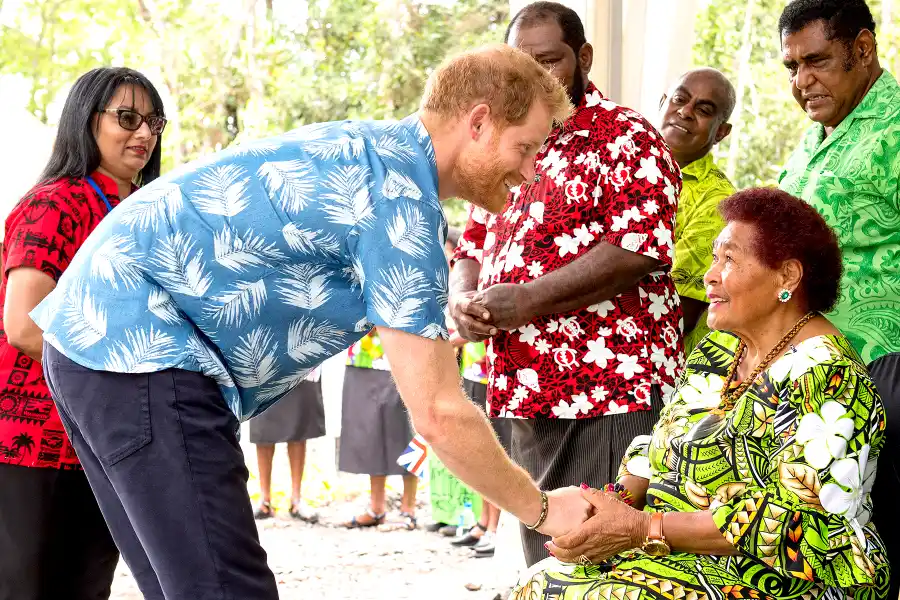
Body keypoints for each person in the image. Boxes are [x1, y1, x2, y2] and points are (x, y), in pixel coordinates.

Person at [32, 45, 591, 600]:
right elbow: (440, 412)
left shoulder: (370, 149)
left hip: (91, 339)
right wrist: (544, 510)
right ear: (479, 122)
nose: (530, 169)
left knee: (188, 586)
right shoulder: (399, 200)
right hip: (139, 346)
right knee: (225, 590)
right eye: (526, 147)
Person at [511, 187, 891, 600]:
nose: (710, 274)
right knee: (542, 577)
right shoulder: (721, 348)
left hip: (788, 578)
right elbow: (658, 445)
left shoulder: (830, 376)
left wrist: (642, 528)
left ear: (787, 277)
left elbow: (798, 527)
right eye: (714, 257)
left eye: (729, 260)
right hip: (680, 552)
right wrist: (611, 507)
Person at [450, 2, 683, 566]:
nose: (531, 77)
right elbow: (474, 245)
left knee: (608, 560)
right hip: (525, 387)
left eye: (548, 61)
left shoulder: (627, 136)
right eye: (517, 64)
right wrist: (461, 297)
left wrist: (525, 299)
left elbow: (639, 249)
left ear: (583, 58)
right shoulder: (508, 142)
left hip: (610, 389)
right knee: (547, 557)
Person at [0, 67, 165, 600]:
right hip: (31, 443)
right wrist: (123, 379)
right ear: (84, 121)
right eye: (126, 118)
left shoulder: (140, 212)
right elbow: (23, 325)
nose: (143, 133)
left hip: (99, 441)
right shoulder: (57, 202)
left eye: (153, 121)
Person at [775, 2, 900, 595]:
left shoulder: (897, 128)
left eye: (817, 61)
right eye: (792, 66)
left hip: (889, 367)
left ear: (864, 49)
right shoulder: (813, 141)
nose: (802, 81)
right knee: (838, 555)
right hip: (820, 382)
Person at [659, 68, 737, 351]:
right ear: (662, 103)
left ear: (722, 132)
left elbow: (677, 316)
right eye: (680, 99)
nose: (686, 112)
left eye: (704, 109)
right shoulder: (624, 168)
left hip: (660, 365)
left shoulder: (718, 201)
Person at [339, 331, 420, 530]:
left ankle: (408, 510)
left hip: (400, 352)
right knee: (370, 429)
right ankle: (376, 508)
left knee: (405, 430)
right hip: (362, 356)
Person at [249, 366, 324, 523]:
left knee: (298, 421)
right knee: (262, 423)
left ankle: (296, 499)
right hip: (264, 352)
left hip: (299, 349)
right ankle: (265, 499)